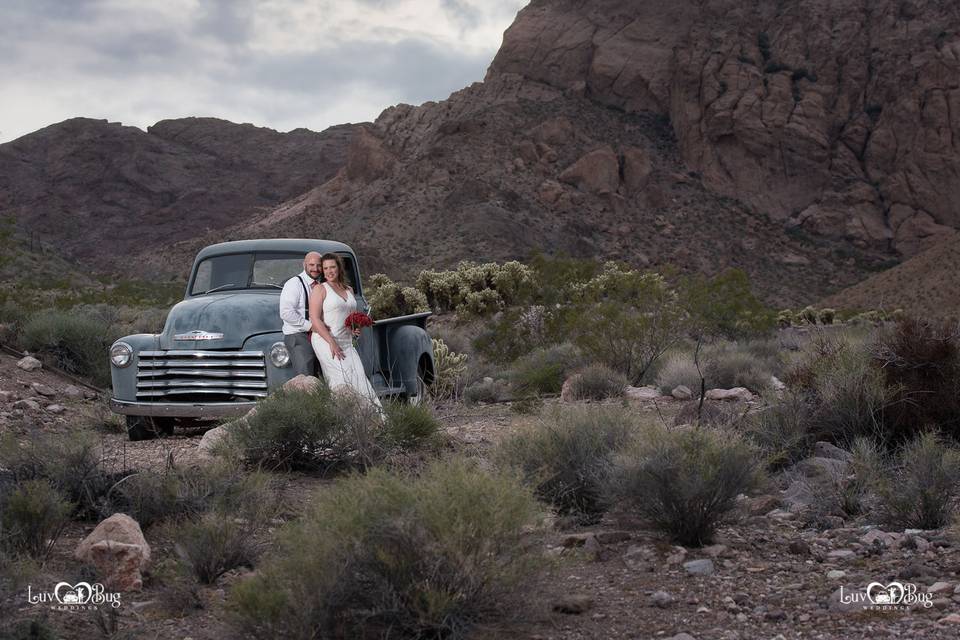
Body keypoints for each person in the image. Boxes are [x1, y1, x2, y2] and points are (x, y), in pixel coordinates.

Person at [308, 253, 383, 413]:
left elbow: (350, 317)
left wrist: (355, 328)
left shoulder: (349, 289)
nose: (329, 271)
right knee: (341, 378)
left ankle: (372, 418)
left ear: (339, 268)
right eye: (325, 268)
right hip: (325, 341)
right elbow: (314, 319)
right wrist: (331, 342)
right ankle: (344, 422)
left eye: (332, 267)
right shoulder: (320, 289)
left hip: (347, 342)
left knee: (359, 377)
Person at [279, 251, 322, 376]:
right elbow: (286, 313)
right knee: (306, 376)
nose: (315, 269)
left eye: (318, 265)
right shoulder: (294, 284)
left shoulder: (319, 285)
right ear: (304, 265)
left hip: (315, 334)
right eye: (311, 265)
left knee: (319, 375)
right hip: (298, 336)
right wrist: (310, 326)